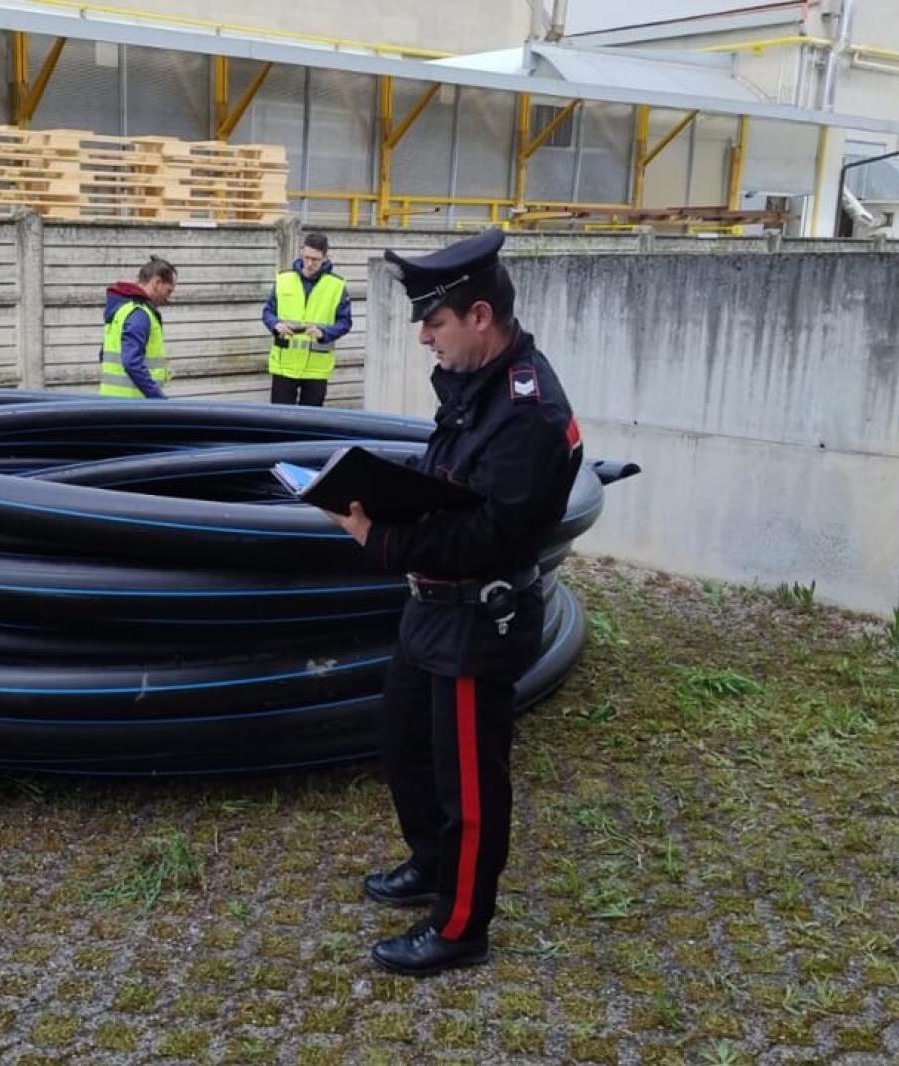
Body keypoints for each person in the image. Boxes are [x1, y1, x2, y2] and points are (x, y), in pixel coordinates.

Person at [320, 229, 584, 977]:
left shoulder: (527, 410)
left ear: (479, 316)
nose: (424, 339)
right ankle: (432, 864)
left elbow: (489, 533)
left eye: (433, 323)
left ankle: (462, 926)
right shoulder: (475, 384)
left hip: (477, 618)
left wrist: (379, 538)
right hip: (433, 610)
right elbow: (449, 479)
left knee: (468, 780)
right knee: (403, 741)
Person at [262, 232, 352, 406]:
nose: (309, 263)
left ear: (325, 257)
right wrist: (276, 325)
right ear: (301, 252)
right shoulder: (284, 279)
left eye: (315, 259)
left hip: (316, 369)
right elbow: (268, 312)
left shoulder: (336, 285)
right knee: (280, 418)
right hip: (284, 365)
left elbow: (345, 322)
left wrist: (324, 332)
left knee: (311, 419)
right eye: (307, 257)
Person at [100, 257, 178, 399]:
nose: (168, 298)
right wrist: (158, 397)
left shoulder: (121, 309)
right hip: (133, 404)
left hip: (111, 400)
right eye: (168, 291)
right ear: (157, 283)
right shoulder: (139, 314)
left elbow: (103, 355)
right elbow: (131, 362)